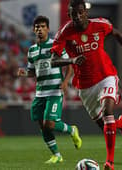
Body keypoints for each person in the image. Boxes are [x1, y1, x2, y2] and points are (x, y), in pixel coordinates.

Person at [50, 1, 122, 169]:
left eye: (80, 13)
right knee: (105, 126)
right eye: (73, 15)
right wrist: (71, 60)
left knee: (108, 112)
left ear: (85, 12)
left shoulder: (100, 24)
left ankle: (110, 162)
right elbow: (53, 60)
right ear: (69, 16)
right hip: (85, 86)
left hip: (106, 76)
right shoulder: (64, 33)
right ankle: (120, 124)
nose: (77, 17)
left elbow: (116, 34)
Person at [17, 15, 82, 164]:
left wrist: (66, 82)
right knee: (42, 126)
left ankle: (72, 130)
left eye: (42, 27)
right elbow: (33, 72)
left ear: (47, 29)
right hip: (40, 93)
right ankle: (57, 155)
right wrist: (24, 73)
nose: (39, 29)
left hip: (54, 91)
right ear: (34, 30)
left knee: (50, 124)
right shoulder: (32, 50)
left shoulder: (55, 45)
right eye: (37, 27)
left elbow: (69, 65)